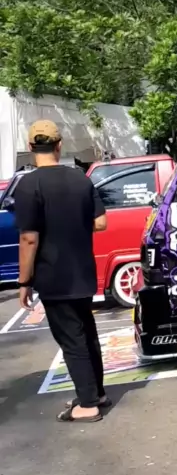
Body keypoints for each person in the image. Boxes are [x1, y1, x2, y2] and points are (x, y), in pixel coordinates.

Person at [15, 120, 109, 423]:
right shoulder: (81, 179)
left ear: (31, 147)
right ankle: (96, 393)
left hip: (54, 275)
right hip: (83, 270)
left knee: (71, 339)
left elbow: (29, 239)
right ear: (59, 146)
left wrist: (24, 281)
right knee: (87, 333)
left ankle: (88, 405)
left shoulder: (29, 185)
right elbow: (100, 222)